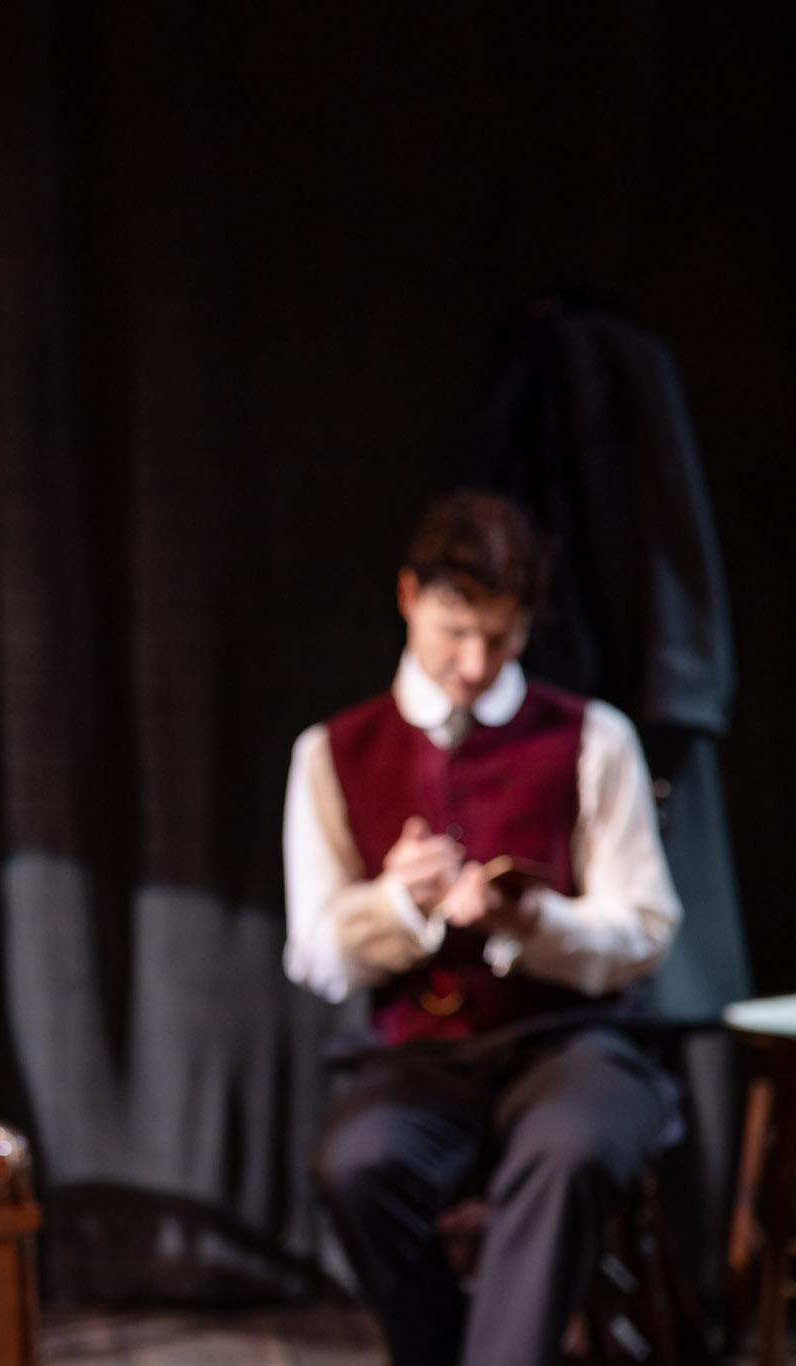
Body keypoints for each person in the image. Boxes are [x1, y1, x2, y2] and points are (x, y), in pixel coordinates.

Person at [282, 491, 679, 1366]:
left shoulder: (592, 737)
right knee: (358, 1165)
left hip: (575, 1041)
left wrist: (533, 920)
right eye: (453, 629)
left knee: (572, 1148)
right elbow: (317, 953)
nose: (472, 663)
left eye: (498, 638)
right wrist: (398, 904)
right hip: (424, 1056)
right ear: (407, 598)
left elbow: (648, 928)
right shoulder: (333, 752)